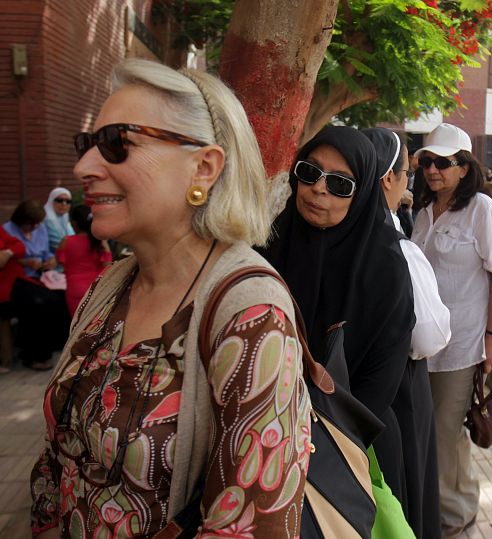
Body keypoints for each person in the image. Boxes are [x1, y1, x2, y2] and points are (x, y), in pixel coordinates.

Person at [30, 59, 311, 538]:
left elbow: (249, 525)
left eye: (118, 143)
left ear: (203, 167)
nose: (83, 168)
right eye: (88, 145)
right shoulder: (109, 286)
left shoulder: (250, 313)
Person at [261, 126, 415, 524]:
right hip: (264, 440)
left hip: (352, 447)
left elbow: (380, 379)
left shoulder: (386, 268)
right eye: (309, 173)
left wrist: (318, 441)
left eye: (340, 183)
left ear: (363, 192)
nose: (318, 190)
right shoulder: (272, 243)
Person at [410, 123, 492, 537]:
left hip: (462, 346)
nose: (432, 170)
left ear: (464, 167)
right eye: (426, 162)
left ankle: (455, 513)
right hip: (423, 345)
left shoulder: (482, 212)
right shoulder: (423, 212)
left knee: (446, 432)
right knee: (431, 430)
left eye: (442, 163)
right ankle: (435, 505)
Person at [363, 127, 451, 538]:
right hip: (395, 394)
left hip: (339, 400)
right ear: (387, 179)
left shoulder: (321, 236)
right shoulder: (396, 249)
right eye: (407, 172)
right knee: (404, 492)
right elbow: (428, 338)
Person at [4, 200, 69, 371]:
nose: (34, 227)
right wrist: (26, 262)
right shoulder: (7, 231)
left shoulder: (39, 229)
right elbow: (8, 259)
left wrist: (50, 260)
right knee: (38, 304)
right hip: (19, 278)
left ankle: (57, 344)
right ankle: (34, 355)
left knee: (61, 297)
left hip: (41, 275)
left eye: (36, 223)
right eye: (31, 224)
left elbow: (46, 251)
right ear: (21, 220)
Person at [55, 204, 112, 315]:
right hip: (98, 289)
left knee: (78, 327)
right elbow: (108, 264)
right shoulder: (100, 241)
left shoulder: (66, 241)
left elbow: (59, 260)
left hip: (75, 290)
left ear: (74, 224)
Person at [0, 227, 25, 373]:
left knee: (5, 319)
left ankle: (6, 358)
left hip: (8, 289)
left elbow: (20, 246)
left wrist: (7, 253)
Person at [43, 187, 75, 253]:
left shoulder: (65, 217)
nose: (64, 204)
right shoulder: (47, 219)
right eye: (60, 200)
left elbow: (72, 236)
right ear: (51, 201)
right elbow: (57, 243)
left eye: (68, 201)